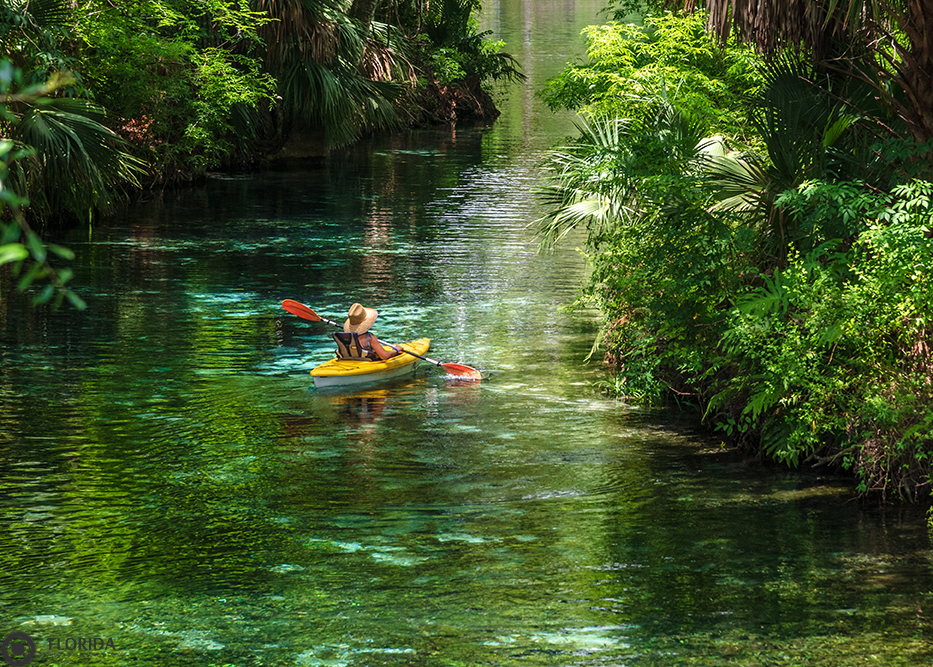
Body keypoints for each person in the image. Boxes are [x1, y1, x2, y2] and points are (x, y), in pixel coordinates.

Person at [332, 303, 399, 362]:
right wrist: (396, 350)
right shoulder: (369, 337)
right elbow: (384, 356)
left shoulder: (344, 337)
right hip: (367, 362)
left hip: (347, 361)